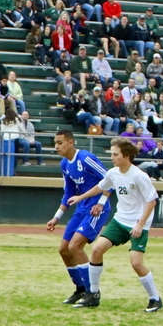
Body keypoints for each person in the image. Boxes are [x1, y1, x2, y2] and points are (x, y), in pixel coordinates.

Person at [68, 138, 162, 312]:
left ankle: (155, 298)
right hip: (120, 220)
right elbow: (99, 187)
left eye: (115, 154)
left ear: (126, 156)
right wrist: (80, 197)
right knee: (97, 250)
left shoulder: (139, 176)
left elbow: (152, 201)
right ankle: (93, 294)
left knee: (136, 263)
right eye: (111, 154)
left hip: (138, 223)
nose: (112, 157)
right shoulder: (113, 173)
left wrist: (140, 225)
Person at [45, 130, 111, 306]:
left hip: (96, 209)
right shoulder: (65, 164)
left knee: (75, 246)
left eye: (60, 143)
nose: (56, 147)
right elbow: (69, 192)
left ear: (71, 142)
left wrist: (102, 203)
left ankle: (92, 293)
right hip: (82, 208)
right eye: (55, 143)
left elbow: (109, 179)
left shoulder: (85, 158)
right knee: (64, 249)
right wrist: (56, 217)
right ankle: (80, 289)